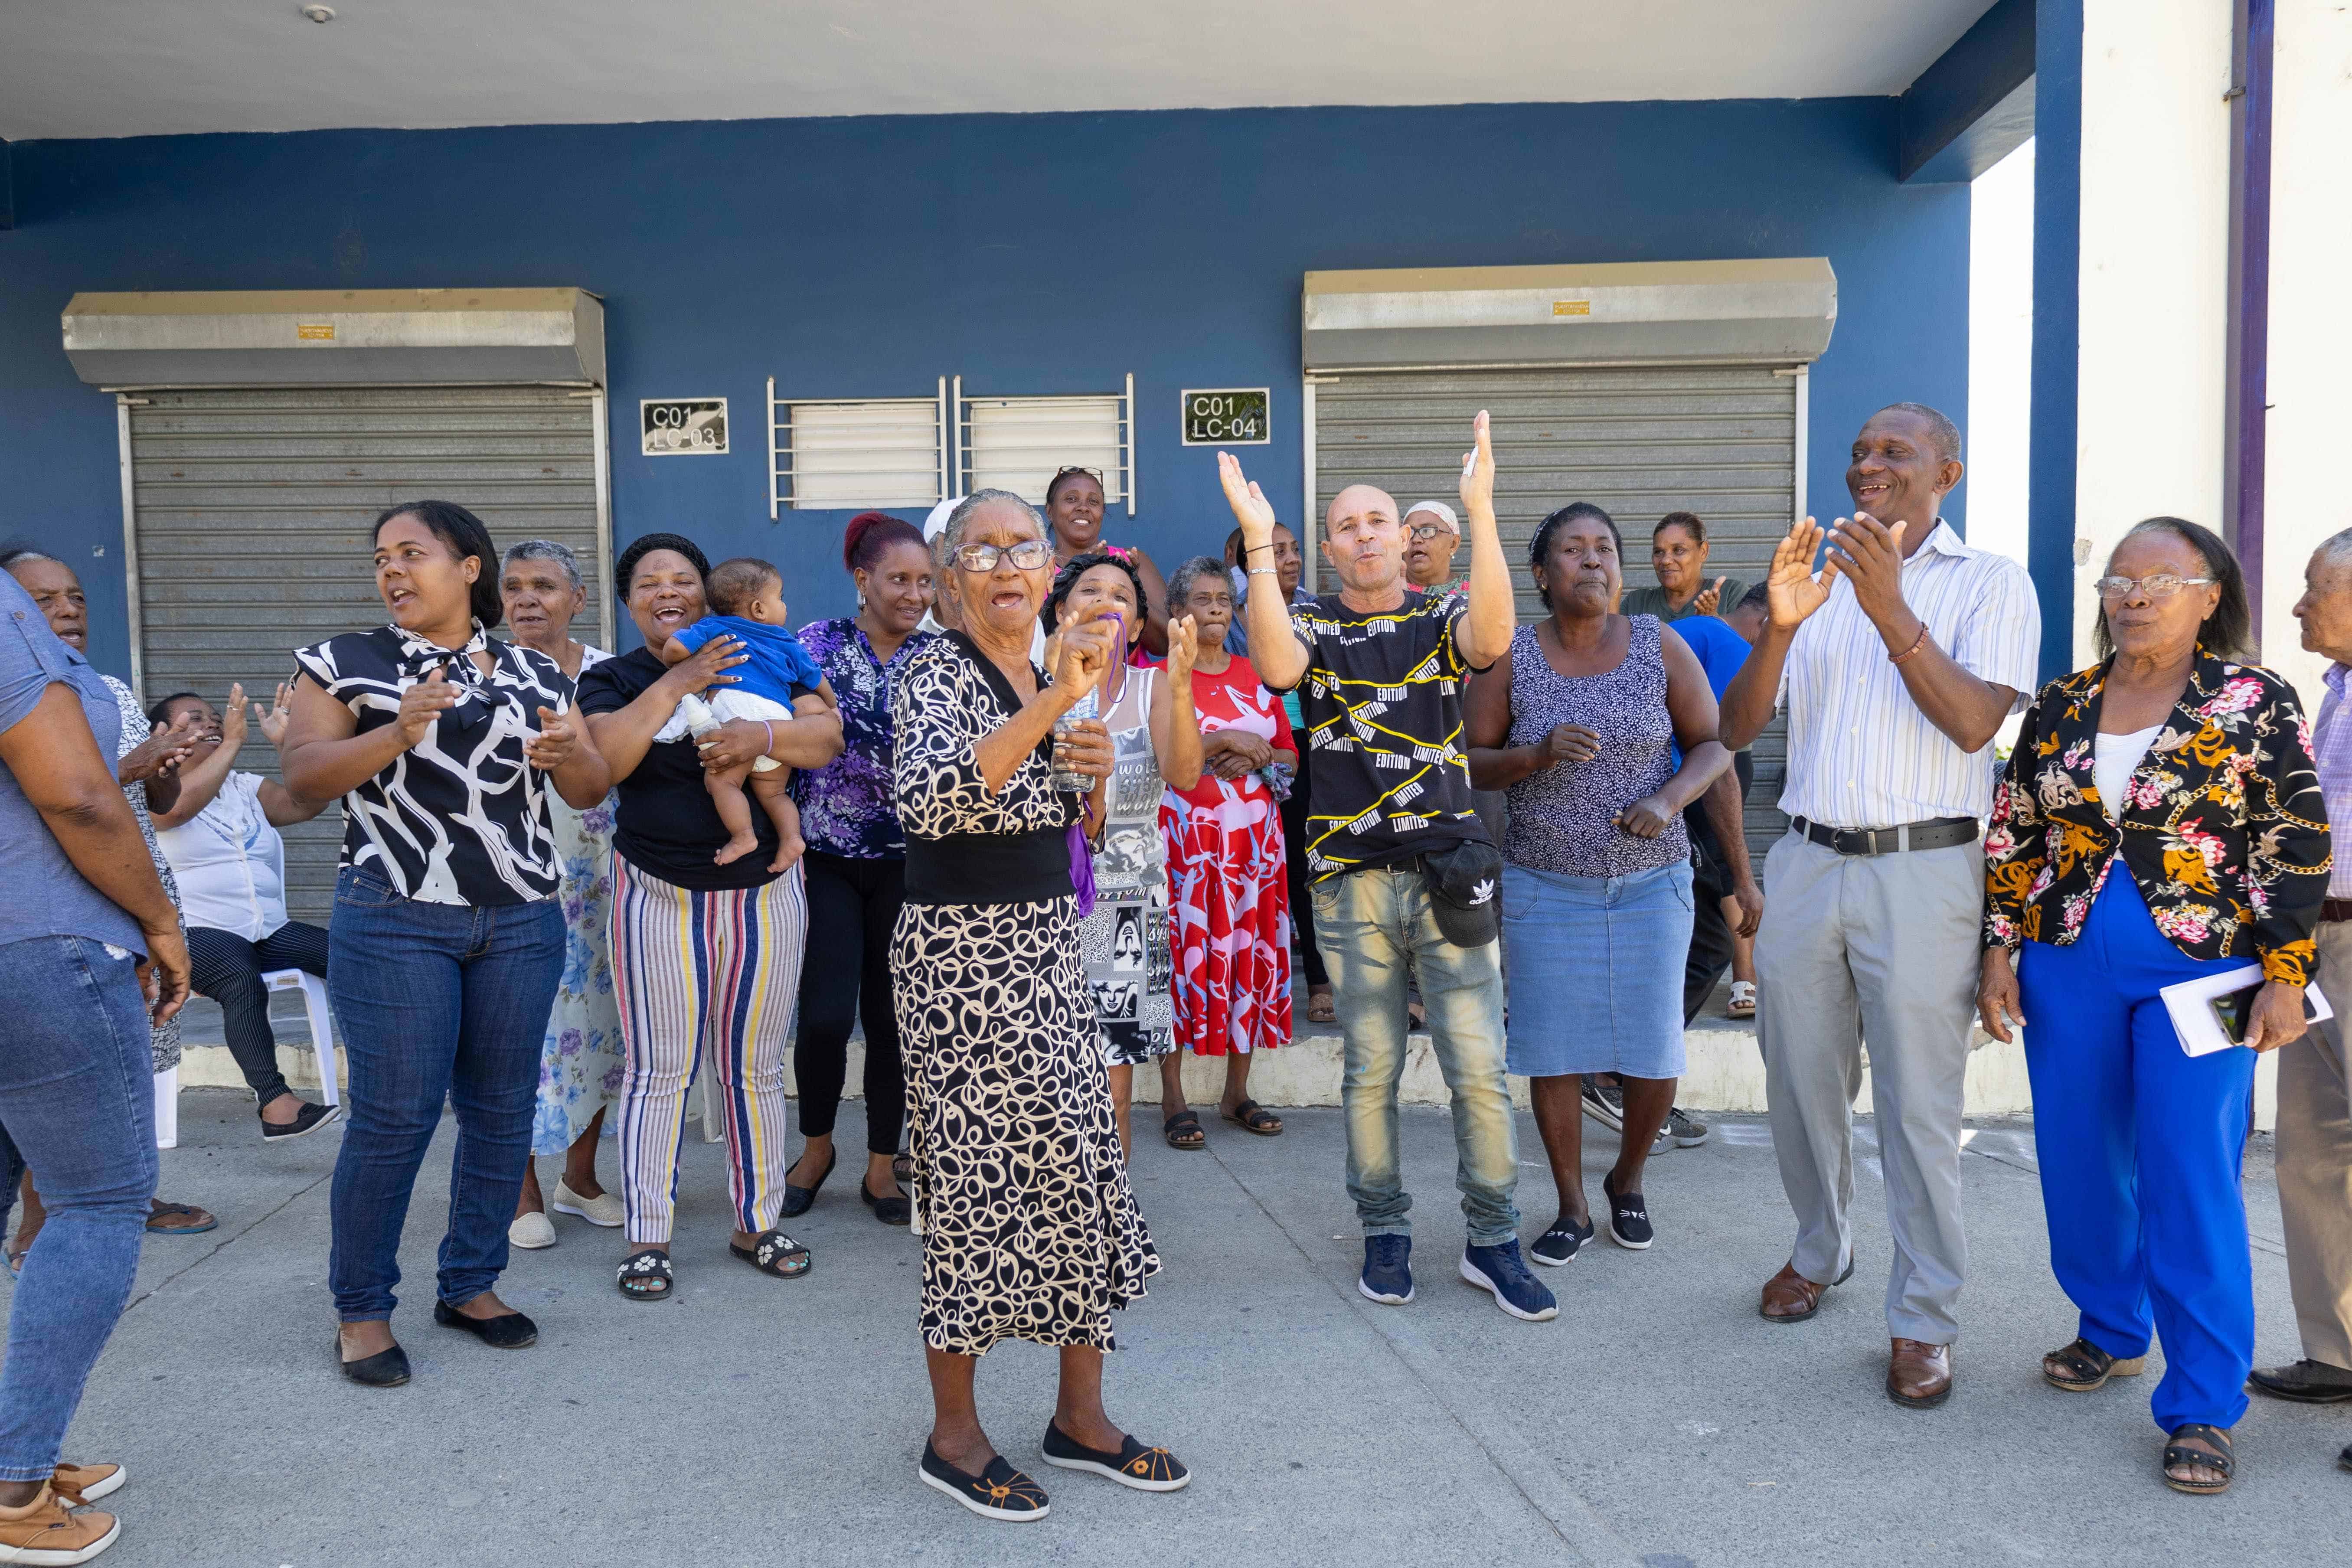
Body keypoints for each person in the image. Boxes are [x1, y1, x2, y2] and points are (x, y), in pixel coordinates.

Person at [1979, 516, 2324, 1494]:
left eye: (2158, 579)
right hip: (2068, 960)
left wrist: (2288, 972)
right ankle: (2112, 1325)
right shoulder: (2062, 702)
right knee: (2082, 1157)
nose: (2132, 596)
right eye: (2118, 580)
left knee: (2189, 1170)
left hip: (2208, 968)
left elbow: (2296, 837)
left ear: (2210, 593)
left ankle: (2205, 1401)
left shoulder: (2254, 698)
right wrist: (2002, 947)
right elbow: (2015, 830)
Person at [1716, 403, 2039, 1410]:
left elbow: (1973, 721)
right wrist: (1778, 623)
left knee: (1917, 1105)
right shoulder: (1812, 579)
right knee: (1796, 1082)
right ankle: (1821, 1248)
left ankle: (1922, 1318)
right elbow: (1731, 728)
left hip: (1925, 869)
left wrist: (1888, 602)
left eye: (1891, 452)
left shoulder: (1988, 581)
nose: (1865, 465)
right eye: (1857, 451)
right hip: (1808, 859)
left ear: (1944, 471)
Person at [1225, 412, 1556, 1323]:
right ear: (1331, 549)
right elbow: (1276, 666)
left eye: (1380, 520)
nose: (1366, 533)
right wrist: (1259, 546)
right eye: (1348, 524)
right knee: (1369, 1068)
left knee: (1478, 1068)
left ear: (1405, 540)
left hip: (1449, 867)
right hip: (1351, 877)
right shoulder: (1311, 620)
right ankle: (1386, 1231)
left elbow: (1492, 640)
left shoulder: (1439, 612)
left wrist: (1480, 512)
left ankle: (1494, 1241)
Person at [893, 490, 1185, 1521]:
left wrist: (1091, 780)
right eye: (985, 550)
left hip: (1049, 947)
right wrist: (1058, 707)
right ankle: (953, 1434)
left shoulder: (1041, 670)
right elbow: (931, 799)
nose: (1011, 564)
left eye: (1025, 547)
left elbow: (1056, 813)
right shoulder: (932, 667)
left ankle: (1080, 1417)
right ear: (949, 577)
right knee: (975, 1185)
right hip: (959, 961)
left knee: (1077, 1169)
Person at [281, 500, 611, 1386]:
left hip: (517, 914)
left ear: (470, 567)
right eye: (382, 556)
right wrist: (395, 730)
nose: (392, 570)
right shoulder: (344, 662)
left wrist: (565, 751)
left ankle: (471, 1283)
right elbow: (305, 780)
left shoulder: (534, 669)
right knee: (395, 1119)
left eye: (412, 553)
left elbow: (587, 785)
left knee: (502, 1110)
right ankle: (362, 1309)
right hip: (394, 912)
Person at [575, 533, 843, 1302]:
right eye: (649, 583)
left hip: (763, 891)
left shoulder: (763, 647)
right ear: (629, 602)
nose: (666, 591)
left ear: (709, 593)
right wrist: (682, 678)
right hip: (655, 890)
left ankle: (756, 1222)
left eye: (682, 580)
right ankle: (648, 1237)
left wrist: (760, 735)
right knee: (659, 1069)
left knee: (755, 1066)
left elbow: (824, 735)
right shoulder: (612, 677)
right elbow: (607, 760)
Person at [1465, 503, 1731, 1264]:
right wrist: (1534, 754)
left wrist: (1666, 800)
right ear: (1541, 575)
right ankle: (1571, 1206)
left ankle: (1626, 1179)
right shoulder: (1509, 655)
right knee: (1551, 1051)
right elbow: (1469, 759)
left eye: (1604, 548)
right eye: (1572, 550)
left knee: (1653, 1050)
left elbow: (1711, 744)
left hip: (1650, 884)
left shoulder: (1658, 643)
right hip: (1545, 885)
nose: (1592, 561)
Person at [0, 567, 191, 1566]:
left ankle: (12, 1445)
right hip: (32, 945)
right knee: (99, 1201)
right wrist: (159, 918)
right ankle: (16, 1487)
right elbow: (76, 792)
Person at [2, 547, 214, 1255]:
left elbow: (153, 802)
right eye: (43, 600)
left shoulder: (108, 689)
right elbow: (72, 796)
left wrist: (162, 766)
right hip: (68, 921)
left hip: (129, 901)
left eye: (76, 598)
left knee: (117, 1074)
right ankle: (50, 1225)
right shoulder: (24, 689)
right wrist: (130, 767)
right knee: (63, 1087)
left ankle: (118, 1191)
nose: (65, 611)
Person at [785, 513, 936, 1225]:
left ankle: (882, 1165)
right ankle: (816, 1149)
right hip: (825, 859)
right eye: (899, 579)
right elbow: (777, 730)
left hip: (912, 863)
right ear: (862, 579)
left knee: (891, 1018)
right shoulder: (814, 645)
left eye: (925, 581)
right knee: (820, 1017)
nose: (914, 594)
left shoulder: (942, 657)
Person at [1044, 550, 1203, 1159]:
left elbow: (1186, 776)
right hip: (1042, 901)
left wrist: (1184, 688)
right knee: (1045, 1073)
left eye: (1122, 595)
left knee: (1113, 1081)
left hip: (1126, 906)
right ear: (1062, 611)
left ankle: (1110, 1230)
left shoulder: (1153, 686)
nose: (1106, 601)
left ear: (1138, 626)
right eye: (1091, 590)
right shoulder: (1034, 684)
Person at [496, 540, 626, 1249]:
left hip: (604, 880)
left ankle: (581, 1177)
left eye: (543, 586)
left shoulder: (609, 675)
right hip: (513, 880)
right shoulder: (480, 673)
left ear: (577, 599)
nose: (525, 599)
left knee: (603, 1030)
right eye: (514, 587)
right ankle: (521, 1192)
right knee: (513, 1031)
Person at [2257, 532, 2352, 1469]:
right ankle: (2339, 1352)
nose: (2299, 606)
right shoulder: (2336, 690)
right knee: (2315, 1150)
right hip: (2316, 940)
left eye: (2317, 589)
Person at [146, 686, 339, 1140]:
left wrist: (286, 745)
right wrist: (232, 741)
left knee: (354, 955)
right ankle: (276, 1104)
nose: (211, 723)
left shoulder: (246, 788)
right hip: (193, 932)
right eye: (194, 719)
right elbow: (172, 813)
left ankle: (397, 1076)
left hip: (265, 930)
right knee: (238, 975)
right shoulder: (154, 789)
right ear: (161, 735)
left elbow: (309, 803)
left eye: (216, 717)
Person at [1156, 557, 1294, 1145]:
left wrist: (1258, 754)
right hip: (1184, 853)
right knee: (1179, 962)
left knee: (1247, 960)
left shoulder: (1256, 675)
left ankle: (1238, 1092)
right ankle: (1174, 1097)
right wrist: (1224, 739)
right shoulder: (1158, 677)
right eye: (1202, 598)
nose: (1214, 608)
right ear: (1177, 611)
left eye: (1223, 600)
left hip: (1255, 854)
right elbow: (1159, 753)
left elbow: (1289, 755)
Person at [654, 558, 813, 872]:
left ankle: (743, 836)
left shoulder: (714, 627)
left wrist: (677, 665)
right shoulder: (785, 640)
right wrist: (832, 705)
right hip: (777, 721)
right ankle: (792, 837)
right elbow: (814, 678)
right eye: (780, 597)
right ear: (758, 609)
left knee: (723, 785)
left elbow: (673, 649)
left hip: (737, 716)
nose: (784, 606)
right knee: (776, 792)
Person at [1043, 466, 1171, 657]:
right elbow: (1026, 642)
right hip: (1057, 683)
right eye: (1071, 499)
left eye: (1093, 502)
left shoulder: (1131, 560)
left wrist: (1132, 583)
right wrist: (1075, 573)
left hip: (1127, 685)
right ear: (1050, 511)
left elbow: (1167, 644)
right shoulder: (1035, 566)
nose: (1083, 507)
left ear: (1102, 512)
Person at [1622, 511, 1749, 623]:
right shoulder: (1637, 603)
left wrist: (1713, 621)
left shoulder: (1731, 594)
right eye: (1659, 552)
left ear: (1703, 552)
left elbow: (1745, 648)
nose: (1665, 561)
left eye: (1678, 550)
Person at [1402, 501, 1462, 601]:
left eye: (1428, 531)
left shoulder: (1476, 589)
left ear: (1453, 544)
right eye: (1410, 533)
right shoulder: (1387, 592)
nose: (1416, 540)